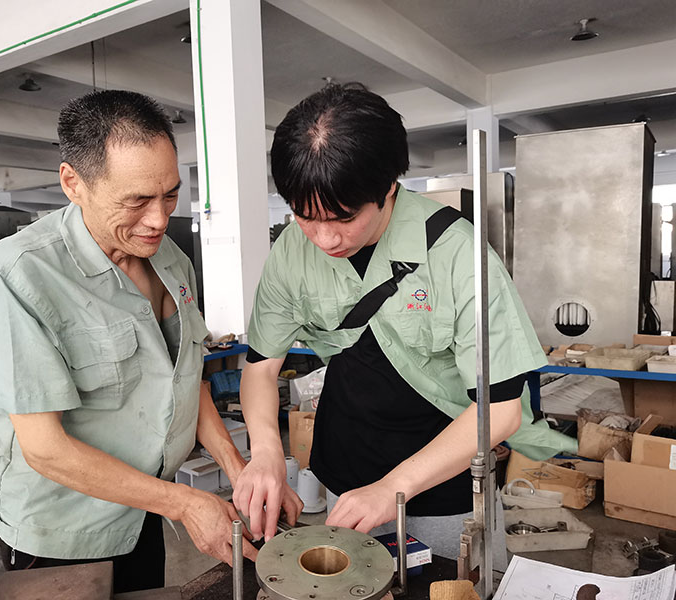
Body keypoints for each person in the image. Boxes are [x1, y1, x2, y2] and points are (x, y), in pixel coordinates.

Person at [232, 83, 576, 564]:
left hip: (445, 484)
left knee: (452, 584)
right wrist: (267, 452)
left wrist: (393, 488)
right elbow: (260, 367)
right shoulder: (292, 249)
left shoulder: (456, 252)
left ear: (388, 187)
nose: (325, 238)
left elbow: (500, 410)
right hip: (345, 470)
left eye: (343, 218)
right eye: (306, 217)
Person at [0, 90, 282, 592]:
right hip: (63, 531)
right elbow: (45, 449)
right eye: (136, 201)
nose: (159, 219)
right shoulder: (17, 277)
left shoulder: (170, 259)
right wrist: (185, 503)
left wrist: (238, 468)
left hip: (143, 505)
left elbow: (184, 381)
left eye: (170, 195)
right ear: (73, 183)